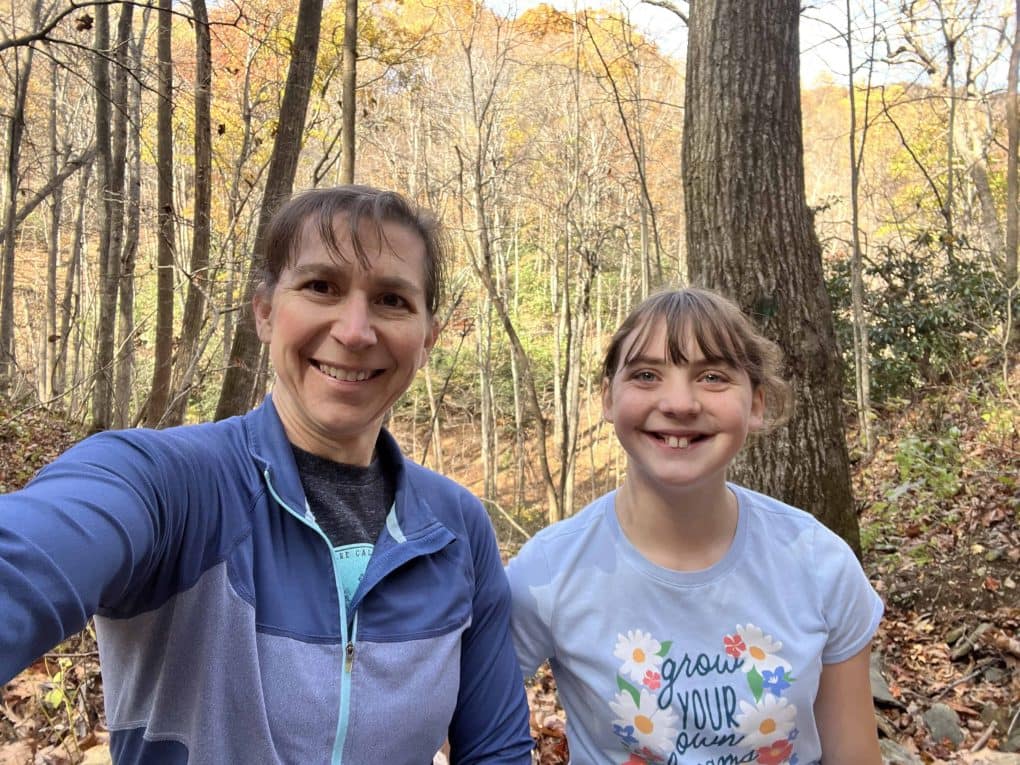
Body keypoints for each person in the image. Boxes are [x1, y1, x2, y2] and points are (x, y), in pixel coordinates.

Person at [0, 185, 533, 764]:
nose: (355, 331)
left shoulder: (456, 528)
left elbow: (497, 751)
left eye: (391, 300)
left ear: (428, 338)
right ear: (264, 312)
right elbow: (27, 559)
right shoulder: (170, 485)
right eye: (321, 286)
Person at [507, 287, 883, 765]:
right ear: (608, 398)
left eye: (712, 377)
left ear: (756, 404)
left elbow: (854, 754)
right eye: (646, 375)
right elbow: (471, 730)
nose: (680, 403)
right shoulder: (549, 571)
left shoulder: (819, 563)